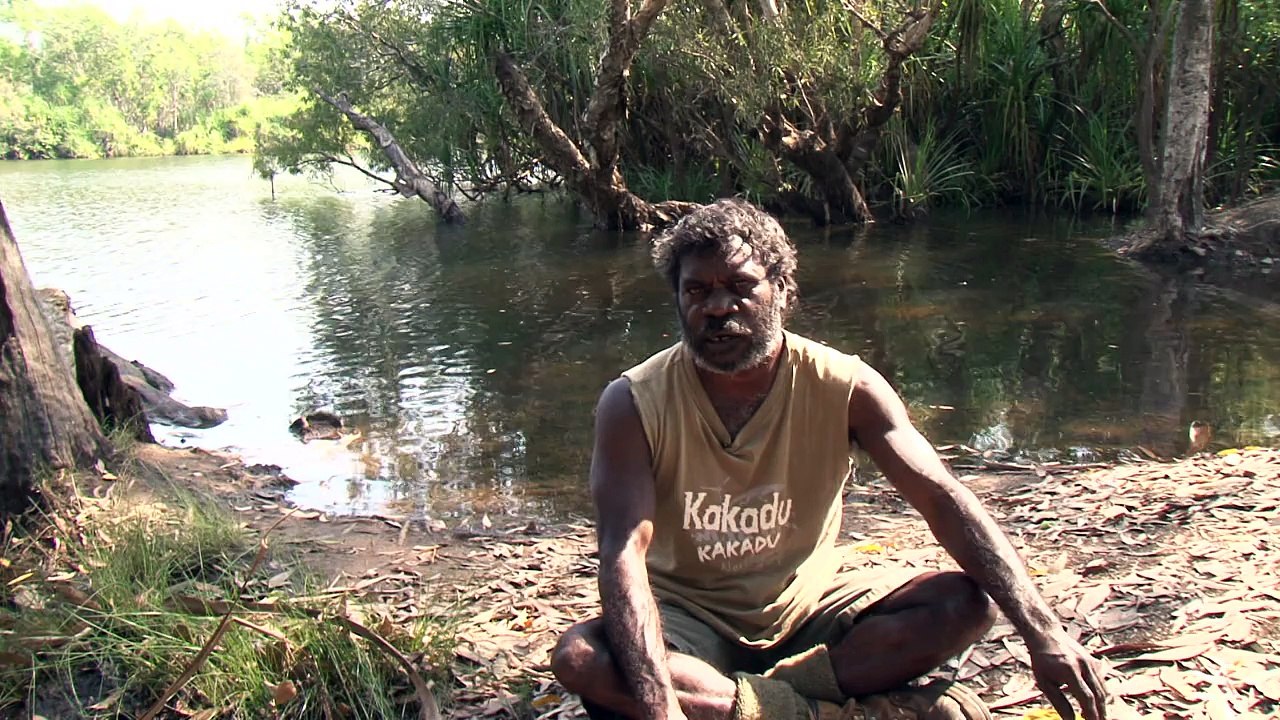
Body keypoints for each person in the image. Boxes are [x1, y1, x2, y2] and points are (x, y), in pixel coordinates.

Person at [550, 199, 1108, 720]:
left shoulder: (845, 386)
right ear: (677, 300)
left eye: (741, 287)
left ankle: (737, 705)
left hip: (809, 611)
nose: (718, 308)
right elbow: (622, 553)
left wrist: (1044, 632)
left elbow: (941, 498)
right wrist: (662, 712)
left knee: (965, 605)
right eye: (697, 292)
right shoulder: (633, 401)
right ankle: (827, 709)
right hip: (687, 620)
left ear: (783, 292)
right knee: (581, 659)